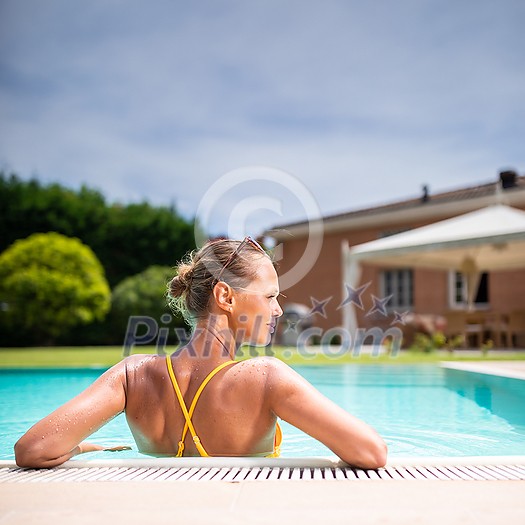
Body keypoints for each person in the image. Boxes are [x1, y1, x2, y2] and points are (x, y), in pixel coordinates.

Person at [14, 237, 387, 469]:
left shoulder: (131, 376)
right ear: (226, 296)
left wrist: (80, 447)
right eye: (270, 296)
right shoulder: (266, 378)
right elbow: (371, 453)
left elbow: (33, 449)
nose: (277, 310)